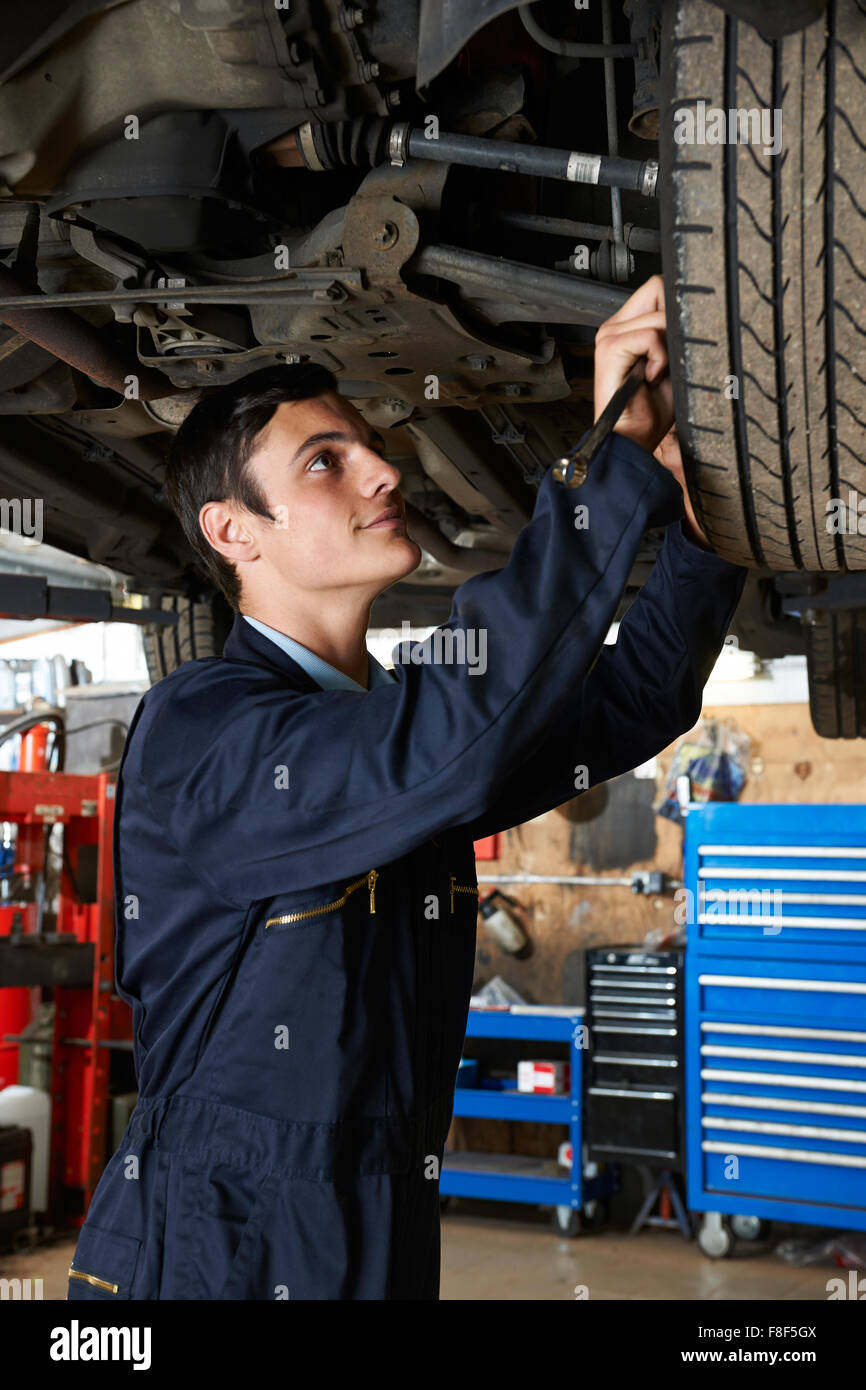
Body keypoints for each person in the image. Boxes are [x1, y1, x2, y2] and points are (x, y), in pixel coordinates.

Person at [66, 276, 745, 1301]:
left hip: (377, 1232)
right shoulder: (203, 734)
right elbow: (446, 739)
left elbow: (631, 696)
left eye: (368, 446)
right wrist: (595, 464)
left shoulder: (394, 745)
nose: (384, 471)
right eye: (325, 461)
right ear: (231, 531)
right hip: (215, 1249)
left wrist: (700, 523)